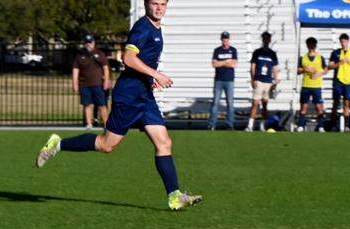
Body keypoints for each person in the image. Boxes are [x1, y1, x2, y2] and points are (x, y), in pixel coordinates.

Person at [34, 0, 202, 211]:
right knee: (106, 145)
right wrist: (155, 74)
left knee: (164, 143)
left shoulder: (156, 28)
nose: (159, 8)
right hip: (129, 97)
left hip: (144, 96)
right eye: (155, 4)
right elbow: (128, 58)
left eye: (163, 4)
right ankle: (57, 144)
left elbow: (141, 61)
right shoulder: (143, 27)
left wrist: (149, 80)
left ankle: (174, 196)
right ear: (146, 4)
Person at [72, 34, 109, 129]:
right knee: (87, 104)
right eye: (86, 43)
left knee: (102, 105)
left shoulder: (100, 54)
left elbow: (105, 68)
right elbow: (76, 70)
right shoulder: (79, 56)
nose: (88, 44)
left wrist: (107, 80)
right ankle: (89, 124)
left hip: (98, 84)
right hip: (84, 84)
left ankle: (106, 124)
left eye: (90, 42)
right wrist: (74, 83)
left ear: (93, 42)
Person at [246, 31, 279, 132]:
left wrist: (275, 80)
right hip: (259, 81)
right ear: (262, 39)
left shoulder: (272, 54)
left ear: (269, 40)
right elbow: (253, 67)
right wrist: (253, 79)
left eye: (267, 38)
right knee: (255, 103)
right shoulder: (257, 52)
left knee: (265, 104)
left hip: (268, 82)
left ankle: (262, 125)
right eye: (264, 38)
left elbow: (275, 68)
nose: (266, 40)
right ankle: (250, 125)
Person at [328, 33, 350, 132]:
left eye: (345, 41)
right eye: (342, 42)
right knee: (335, 103)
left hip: (348, 81)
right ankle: (333, 125)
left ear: (348, 41)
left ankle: (346, 126)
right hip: (338, 81)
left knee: (346, 103)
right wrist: (339, 63)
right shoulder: (336, 53)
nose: (343, 43)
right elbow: (330, 66)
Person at [208, 31, 237, 130]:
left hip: (229, 80)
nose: (225, 40)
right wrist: (226, 61)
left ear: (229, 39)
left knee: (230, 103)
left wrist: (221, 63)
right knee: (215, 102)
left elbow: (234, 64)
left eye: (227, 38)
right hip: (218, 80)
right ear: (221, 39)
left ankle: (230, 124)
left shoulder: (233, 50)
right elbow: (214, 64)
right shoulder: (217, 50)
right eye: (224, 38)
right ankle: (212, 124)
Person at [296, 37, 326, 132]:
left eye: (313, 44)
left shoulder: (320, 57)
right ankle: (301, 125)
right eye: (309, 44)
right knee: (304, 106)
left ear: (315, 45)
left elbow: (325, 69)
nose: (311, 46)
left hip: (316, 86)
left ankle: (320, 126)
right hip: (306, 85)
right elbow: (298, 70)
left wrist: (318, 73)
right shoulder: (303, 58)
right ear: (307, 45)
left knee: (318, 106)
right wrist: (305, 69)